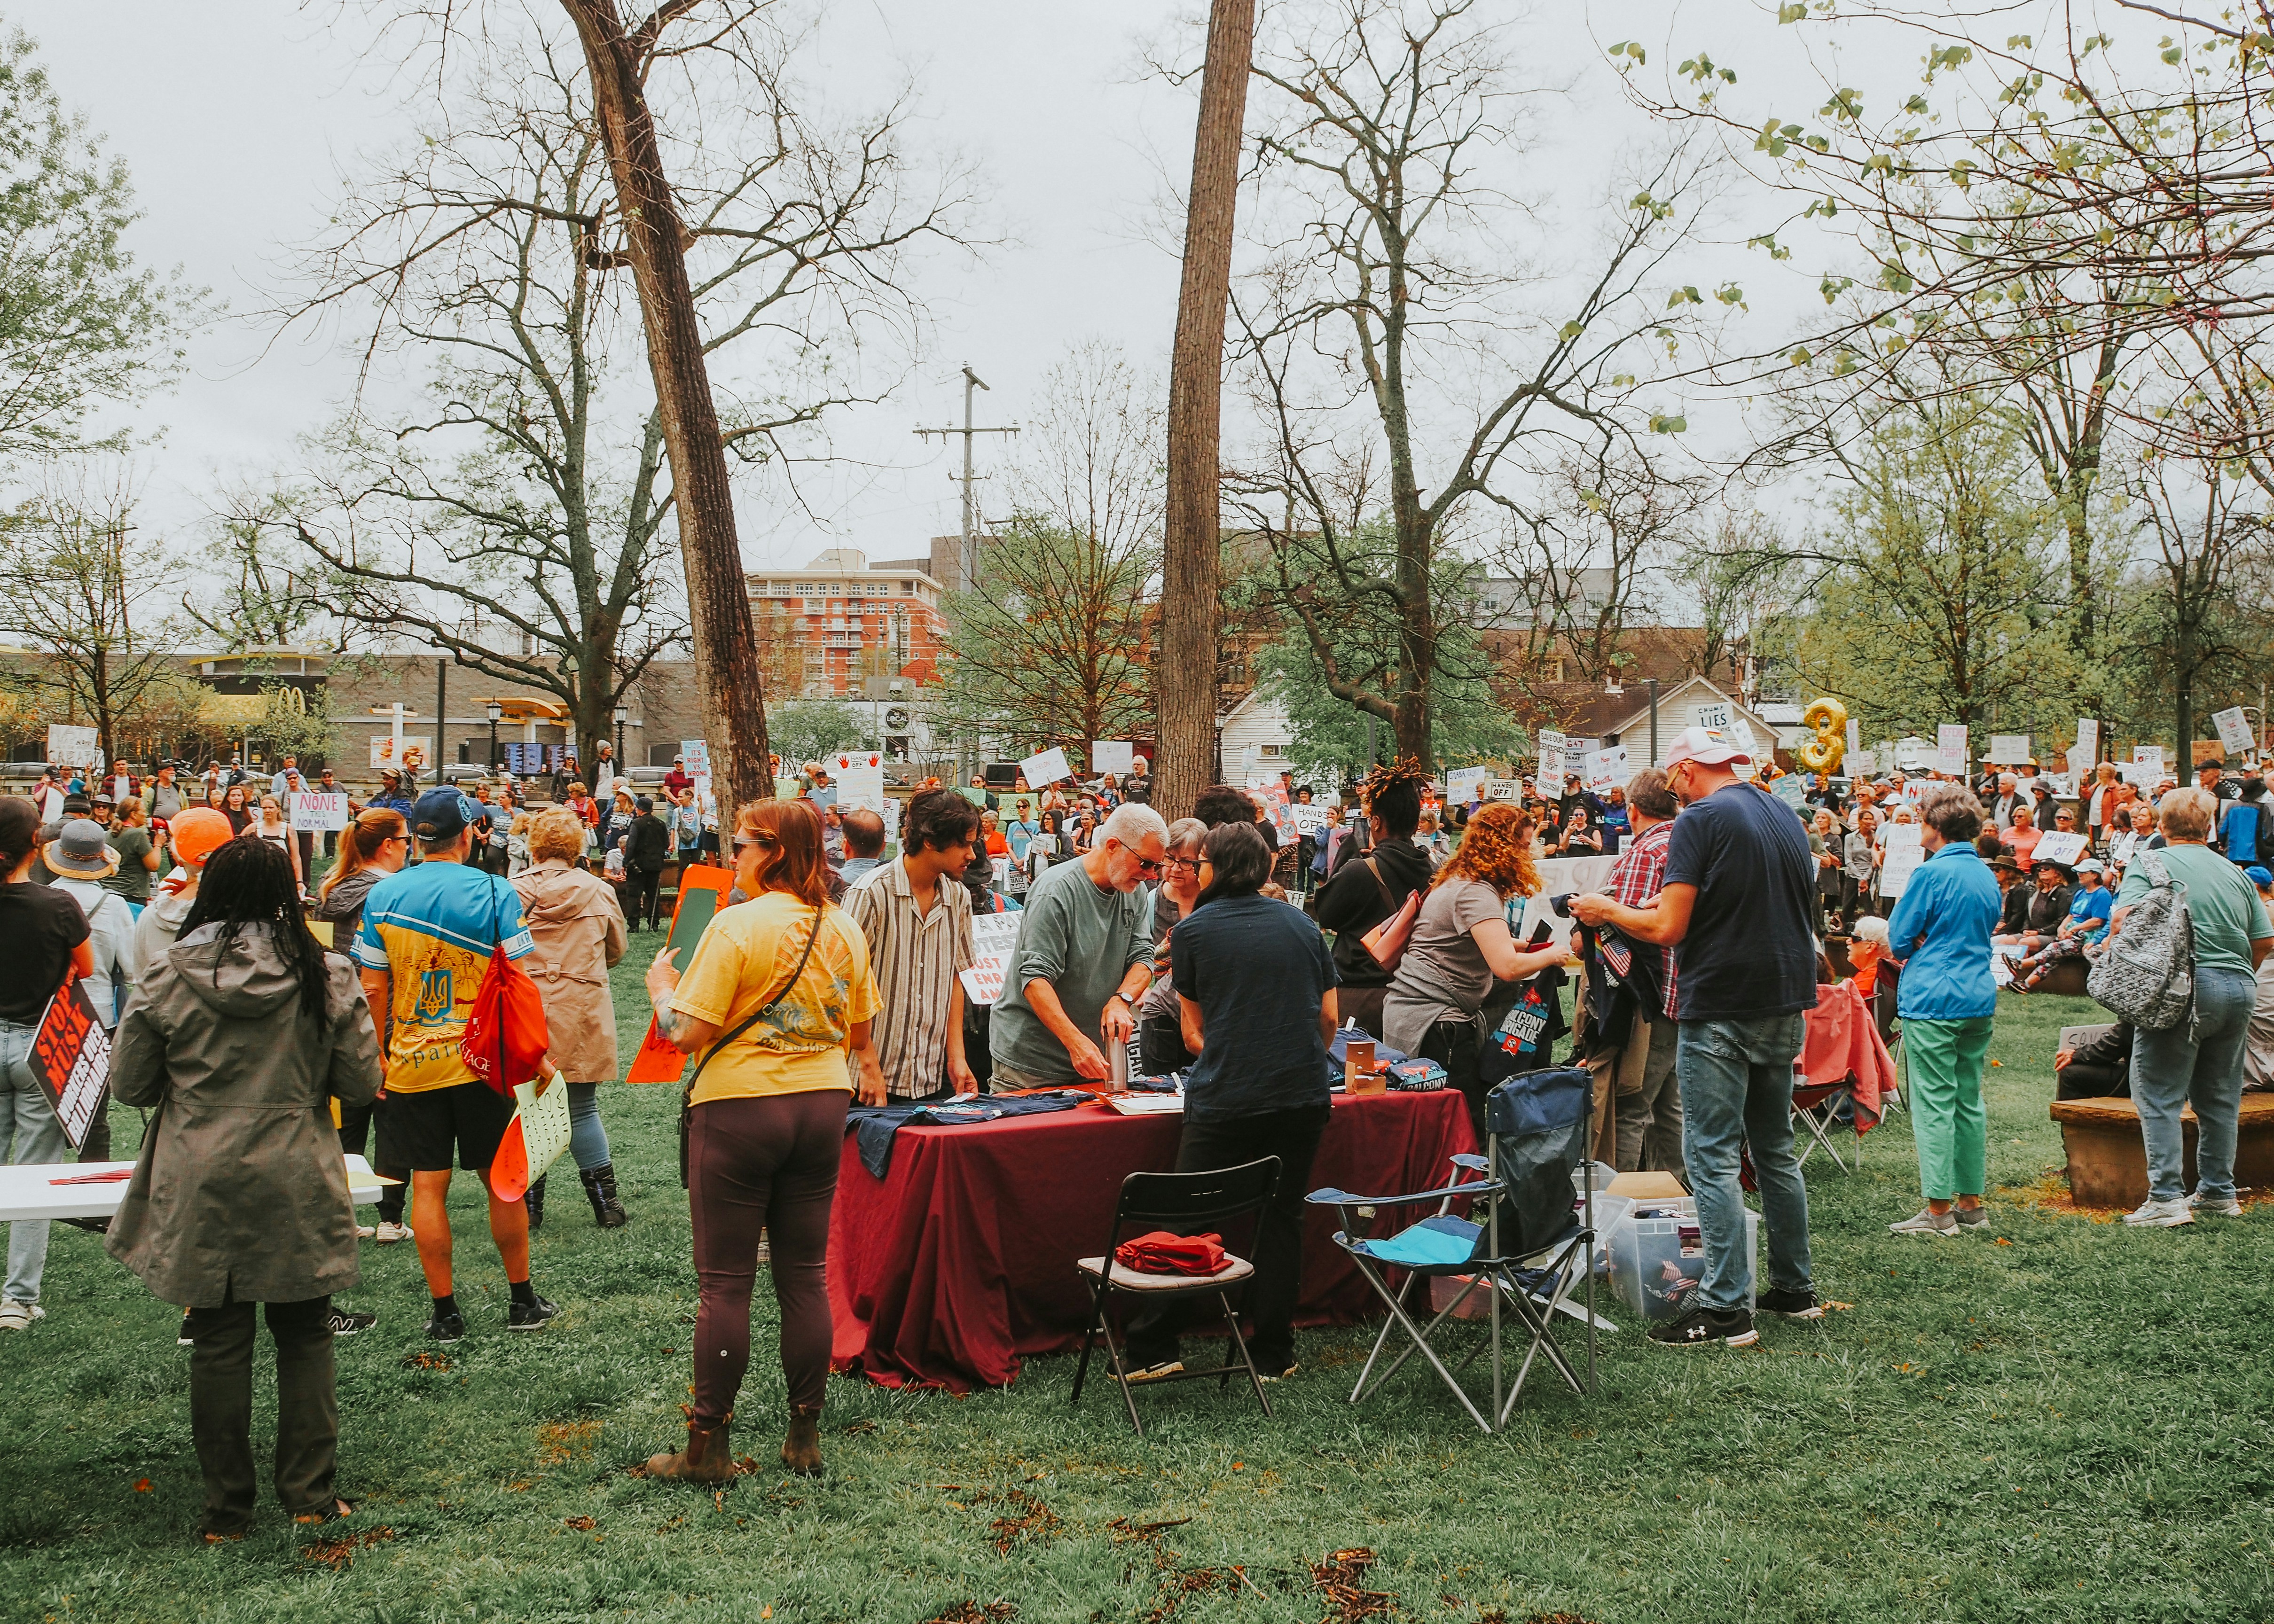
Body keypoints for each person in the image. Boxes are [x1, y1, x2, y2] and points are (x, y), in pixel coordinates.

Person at [104, 837, 379, 1538]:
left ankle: (227, 1509)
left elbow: (132, 1084)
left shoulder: (168, 973)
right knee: (305, 1332)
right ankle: (309, 1496)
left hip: (200, 1169)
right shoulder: (327, 973)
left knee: (219, 1338)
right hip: (296, 1165)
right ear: (289, 893)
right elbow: (361, 1083)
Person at [642, 798, 884, 1481]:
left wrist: (662, 987)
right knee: (804, 1277)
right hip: (820, 1102)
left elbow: (685, 1031)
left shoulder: (736, 925)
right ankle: (803, 1436)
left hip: (742, 1107)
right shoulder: (843, 927)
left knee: (725, 1284)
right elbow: (859, 1035)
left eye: (742, 846)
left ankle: (707, 1448)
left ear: (773, 852)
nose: (733, 858)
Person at [1568, 725, 1824, 1348]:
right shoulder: (1784, 814)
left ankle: (1725, 1308)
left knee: (1708, 1155)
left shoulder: (1700, 819)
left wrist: (1604, 912)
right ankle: (1793, 1289)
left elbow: (1667, 926)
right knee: (1773, 1150)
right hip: (1784, 996)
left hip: (1721, 1000)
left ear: (1684, 770)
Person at [1120, 822, 1339, 1385]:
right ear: (1263, 868)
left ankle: (1154, 1346)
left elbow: (1192, 1032)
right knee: (1281, 1220)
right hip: (1301, 1094)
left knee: (1188, 1217)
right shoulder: (1303, 926)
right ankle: (1272, 1352)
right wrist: (1295, 1053)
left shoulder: (1194, 933)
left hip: (1227, 1096)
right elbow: (1330, 1019)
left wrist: (1237, 1051)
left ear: (1215, 869)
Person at [352, 789, 558, 1340]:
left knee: (427, 1187)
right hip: (482, 1062)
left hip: (412, 1062)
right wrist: (535, 1053)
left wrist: (376, 1053)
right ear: (468, 836)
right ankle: (522, 1303)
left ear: (417, 837)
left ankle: (445, 1314)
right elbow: (519, 981)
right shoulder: (496, 891)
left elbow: (371, 986)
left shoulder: (384, 896)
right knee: (501, 1183)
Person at [2113, 788, 2274, 1226]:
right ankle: (2219, 1192)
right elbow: (2263, 940)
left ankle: (2166, 1198)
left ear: (2161, 827)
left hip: (2182, 987)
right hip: (2240, 986)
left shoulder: (2150, 862)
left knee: (2159, 1093)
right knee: (2221, 1097)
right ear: (2209, 827)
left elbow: (2123, 920)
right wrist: (2235, 971)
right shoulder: (2235, 872)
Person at [1381, 802, 1569, 1141]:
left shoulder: (1461, 881)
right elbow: (1507, 969)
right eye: (1525, 846)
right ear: (1502, 846)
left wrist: (1520, 944)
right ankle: (1463, 1192)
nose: (1531, 854)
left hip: (1415, 1014)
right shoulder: (1477, 893)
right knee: (1460, 1128)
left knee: (1428, 1124)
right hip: (1437, 1022)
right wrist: (1554, 955)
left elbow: (1471, 937)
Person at [1879, 784, 2002, 1238]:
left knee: (1933, 1104)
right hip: (1977, 994)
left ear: (1937, 826)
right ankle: (1971, 1204)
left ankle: (1937, 1210)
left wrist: (1921, 942)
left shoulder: (1929, 874)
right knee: (1968, 1100)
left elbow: (1899, 937)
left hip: (1934, 996)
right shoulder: (1986, 875)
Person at [988, 803, 1168, 1086]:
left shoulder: (1131, 890)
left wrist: (1122, 1000)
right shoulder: (1055, 892)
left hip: (1091, 1058)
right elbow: (1035, 979)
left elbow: (1143, 957)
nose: (1152, 875)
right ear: (1112, 847)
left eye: (1158, 866)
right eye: (1146, 863)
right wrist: (1075, 1043)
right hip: (1033, 1063)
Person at [0, 798, 94, 1332]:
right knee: (34, 1178)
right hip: (40, 1047)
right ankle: (18, 1300)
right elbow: (85, 967)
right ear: (37, 845)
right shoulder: (58, 905)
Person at [513, 808, 631, 1228]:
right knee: (582, 1107)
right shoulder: (598, 890)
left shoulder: (512, 891)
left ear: (535, 844)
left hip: (526, 1006)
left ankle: (528, 1209)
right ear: (577, 845)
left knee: (528, 1106)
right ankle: (607, 1207)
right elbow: (616, 951)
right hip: (581, 1005)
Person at [313, 808, 416, 1243]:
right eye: (405, 839)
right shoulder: (393, 893)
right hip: (388, 1013)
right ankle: (391, 1218)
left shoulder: (331, 890)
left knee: (346, 1121)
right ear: (388, 845)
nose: (410, 846)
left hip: (338, 1016)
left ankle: (342, 1215)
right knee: (393, 1119)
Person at [846, 788, 981, 1101]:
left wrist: (957, 1057)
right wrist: (867, 1064)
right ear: (931, 841)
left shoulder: (958, 897)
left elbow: (955, 977)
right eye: (964, 844)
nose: (971, 855)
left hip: (930, 1078)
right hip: (867, 1080)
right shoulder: (870, 894)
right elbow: (843, 985)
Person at [1582, 768, 1685, 1174]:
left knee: (1631, 1104)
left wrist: (1594, 915)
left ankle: (1618, 1203)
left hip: (1649, 995)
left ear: (1634, 809)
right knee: (1667, 1104)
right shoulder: (1686, 842)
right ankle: (1679, 1199)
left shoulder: (1646, 851)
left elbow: (1628, 929)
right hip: (1680, 994)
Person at [1311, 759, 1433, 1038]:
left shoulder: (1360, 870)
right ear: (1416, 825)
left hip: (1358, 993)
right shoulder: (1435, 872)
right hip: (1409, 994)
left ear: (1376, 822)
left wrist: (1348, 851)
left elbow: (1326, 913)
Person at [1135, 818, 1210, 1076]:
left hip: (1207, 1018)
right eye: (1169, 859)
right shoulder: (1149, 900)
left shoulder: (1213, 899)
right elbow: (1137, 953)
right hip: (1163, 1016)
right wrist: (1143, 989)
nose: (1176, 869)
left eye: (1187, 862)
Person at [2013, 859, 2114, 990]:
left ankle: (2021, 964)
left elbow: (2098, 921)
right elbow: (2071, 915)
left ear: (2095, 875)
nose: (2080, 875)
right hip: (2074, 934)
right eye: (2079, 872)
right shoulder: (2080, 893)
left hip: (2088, 937)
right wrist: (2062, 928)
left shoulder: (2102, 894)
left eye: (2084, 872)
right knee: (2054, 958)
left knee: (2056, 947)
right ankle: (2026, 984)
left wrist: (2074, 929)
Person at [104, 796, 163, 908]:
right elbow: (153, 865)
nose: (146, 815)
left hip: (108, 892)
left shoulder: (109, 834)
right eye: (144, 811)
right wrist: (158, 845)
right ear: (133, 815)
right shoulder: (137, 835)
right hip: (131, 895)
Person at [254, 794, 306, 895]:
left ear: (278, 809)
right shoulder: (254, 828)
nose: (268, 810)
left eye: (271, 807)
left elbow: (296, 857)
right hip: (259, 877)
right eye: (264, 808)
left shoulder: (288, 829)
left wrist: (299, 881)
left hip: (282, 876)